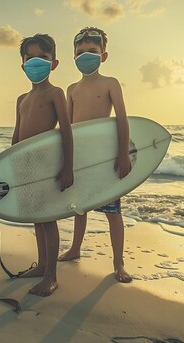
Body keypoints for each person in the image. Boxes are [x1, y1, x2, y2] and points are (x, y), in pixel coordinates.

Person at [57, 27, 133, 283]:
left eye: (92, 51)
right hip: (80, 157)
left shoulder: (110, 83)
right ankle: (75, 248)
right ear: (73, 57)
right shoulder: (71, 89)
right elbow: (65, 128)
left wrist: (123, 155)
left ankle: (118, 263)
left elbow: (122, 120)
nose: (85, 56)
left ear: (104, 55)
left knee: (113, 211)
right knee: (79, 208)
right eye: (80, 52)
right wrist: (65, 161)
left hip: (104, 157)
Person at [12, 34, 74, 296]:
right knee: (36, 218)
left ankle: (51, 276)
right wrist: (9, 168)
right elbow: (16, 137)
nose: (36, 62)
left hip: (47, 165)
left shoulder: (55, 93)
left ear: (54, 63)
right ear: (23, 64)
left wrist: (68, 167)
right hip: (26, 167)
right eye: (30, 58)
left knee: (48, 219)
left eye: (43, 58)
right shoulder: (21, 99)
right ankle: (41, 265)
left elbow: (66, 132)